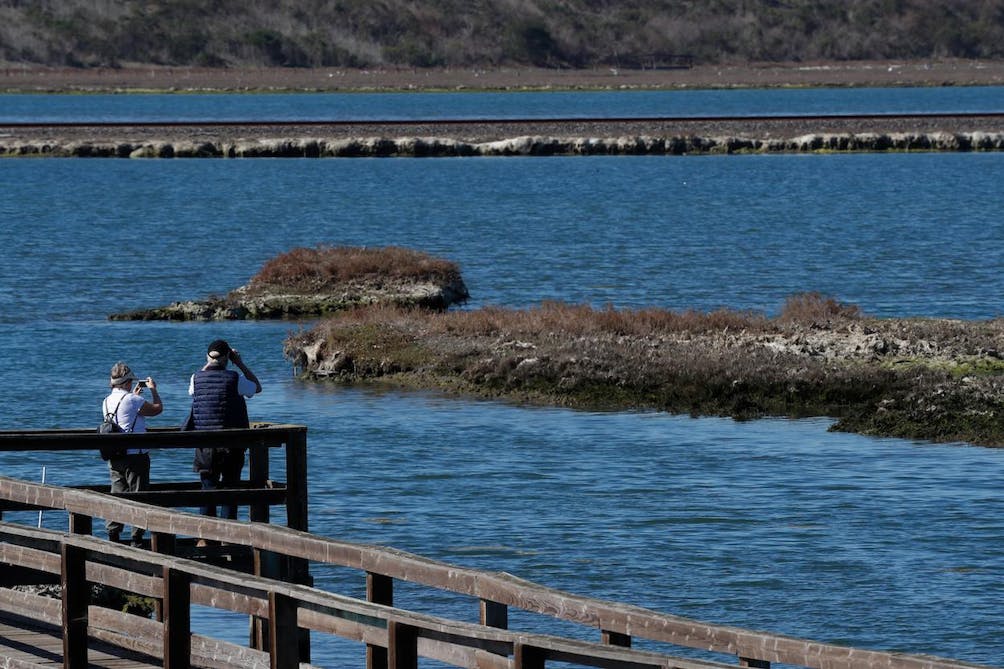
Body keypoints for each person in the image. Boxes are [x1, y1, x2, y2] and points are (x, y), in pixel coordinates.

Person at [189, 339, 262, 525]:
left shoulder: (195, 378)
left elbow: (197, 386)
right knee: (230, 491)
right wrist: (239, 363)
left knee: (208, 491)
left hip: (204, 446)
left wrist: (210, 362)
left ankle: (205, 538)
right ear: (228, 358)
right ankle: (228, 536)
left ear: (207, 357)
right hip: (231, 446)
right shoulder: (235, 378)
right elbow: (257, 387)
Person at [102, 362, 163, 546]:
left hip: (115, 455)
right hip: (135, 456)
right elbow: (157, 409)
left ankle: (113, 536)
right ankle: (137, 538)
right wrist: (153, 390)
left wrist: (134, 397)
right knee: (139, 496)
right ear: (127, 382)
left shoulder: (106, 401)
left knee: (117, 495)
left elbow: (124, 417)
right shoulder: (132, 400)